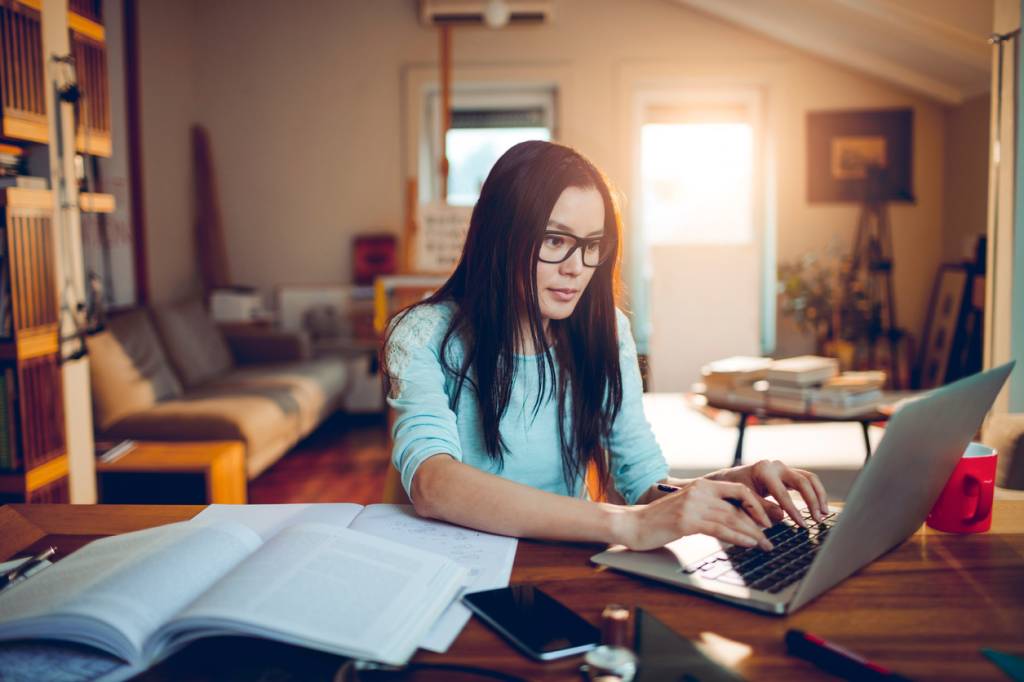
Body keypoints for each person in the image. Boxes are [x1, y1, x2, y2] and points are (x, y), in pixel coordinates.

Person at [383, 140, 827, 552]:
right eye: (555, 240)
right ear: (501, 237)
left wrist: (732, 487)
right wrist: (628, 525)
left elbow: (644, 481)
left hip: (560, 561)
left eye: (592, 245)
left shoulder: (606, 330)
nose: (577, 267)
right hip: (454, 560)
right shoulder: (424, 334)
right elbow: (433, 484)